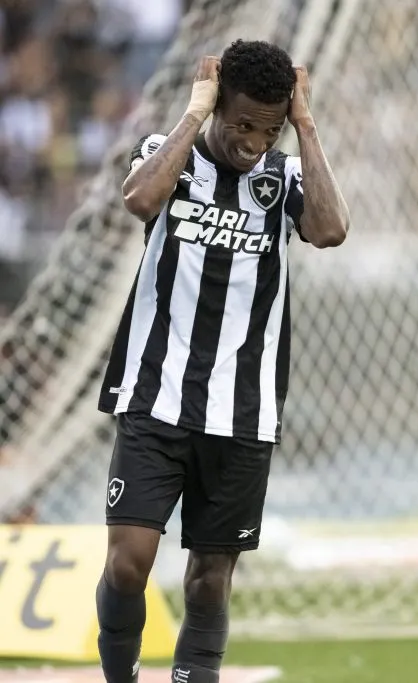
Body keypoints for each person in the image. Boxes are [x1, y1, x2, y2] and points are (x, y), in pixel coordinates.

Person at [94, 40, 349, 683]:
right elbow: (138, 200)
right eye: (241, 123)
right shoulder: (167, 154)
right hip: (155, 395)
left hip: (243, 409)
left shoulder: (284, 176)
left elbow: (329, 230)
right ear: (216, 106)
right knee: (129, 563)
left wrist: (306, 127)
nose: (253, 141)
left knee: (210, 581)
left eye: (269, 128)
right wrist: (195, 113)